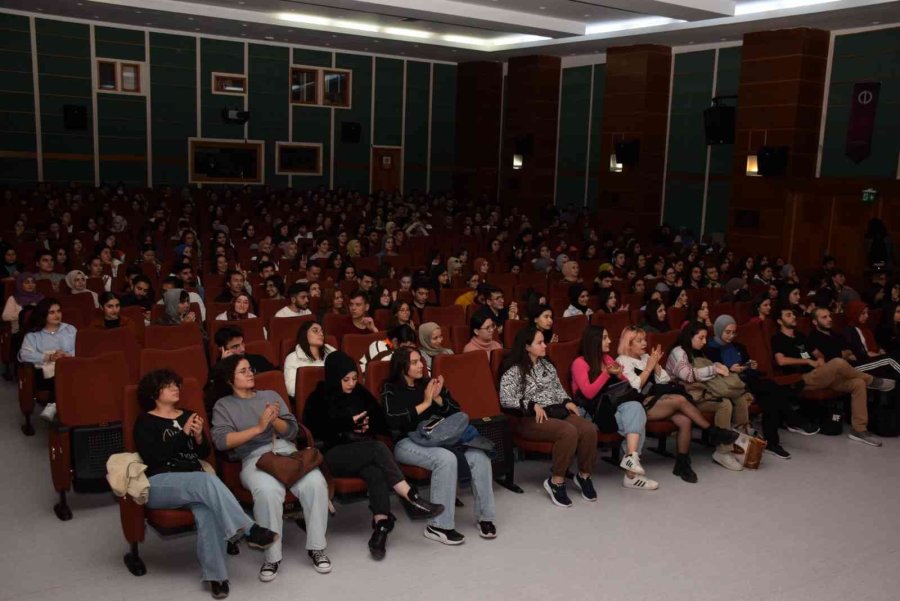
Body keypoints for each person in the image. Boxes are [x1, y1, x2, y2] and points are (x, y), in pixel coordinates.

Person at [134, 369, 278, 598]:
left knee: (207, 510)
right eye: (168, 385)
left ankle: (216, 577)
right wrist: (183, 434)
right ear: (153, 393)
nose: (175, 388)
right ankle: (248, 528)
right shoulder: (145, 421)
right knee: (205, 480)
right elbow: (154, 458)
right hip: (161, 482)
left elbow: (202, 453)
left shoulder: (188, 415)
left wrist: (199, 437)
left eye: (176, 384)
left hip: (195, 481)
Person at [303, 351, 443, 559]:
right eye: (346, 380)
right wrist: (347, 424)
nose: (352, 384)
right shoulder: (319, 397)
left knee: (375, 472)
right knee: (378, 449)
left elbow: (382, 422)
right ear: (334, 377)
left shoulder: (360, 392)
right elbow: (314, 431)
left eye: (354, 378)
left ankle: (381, 528)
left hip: (362, 450)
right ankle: (410, 497)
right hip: (332, 455)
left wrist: (366, 425)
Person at [210, 356, 332, 582]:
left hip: (286, 451)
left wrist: (275, 421)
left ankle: (317, 548)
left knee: (315, 482)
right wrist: (259, 427)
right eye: (243, 371)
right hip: (254, 458)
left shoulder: (270, 395)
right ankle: (272, 557)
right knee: (268, 491)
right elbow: (221, 441)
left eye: (250, 369)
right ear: (229, 379)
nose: (250, 373)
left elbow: (293, 430)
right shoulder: (223, 405)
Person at [382, 348, 498, 543]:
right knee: (446, 459)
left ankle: (485, 517)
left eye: (420, 361)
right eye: (415, 362)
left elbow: (456, 412)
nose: (421, 365)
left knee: (479, 455)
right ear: (402, 367)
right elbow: (392, 420)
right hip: (407, 442)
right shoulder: (390, 388)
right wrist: (426, 403)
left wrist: (437, 399)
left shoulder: (429, 383)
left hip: (440, 438)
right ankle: (438, 526)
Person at [616, 326, 739, 483]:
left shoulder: (646, 357)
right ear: (628, 343)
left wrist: (656, 365)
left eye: (644, 340)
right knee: (680, 400)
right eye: (639, 341)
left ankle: (682, 463)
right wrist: (649, 368)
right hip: (638, 407)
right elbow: (634, 387)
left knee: (685, 420)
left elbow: (665, 380)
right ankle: (711, 431)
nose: (644, 343)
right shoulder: (622, 361)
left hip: (657, 401)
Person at [500, 326, 597, 506]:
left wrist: (567, 401)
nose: (545, 345)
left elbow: (558, 390)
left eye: (544, 342)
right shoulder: (514, 370)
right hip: (529, 418)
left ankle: (584, 476)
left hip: (555, 412)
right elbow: (505, 400)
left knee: (588, 429)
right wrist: (531, 405)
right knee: (568, 431)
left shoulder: (547, 365)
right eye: (540, 343)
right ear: (527, 347)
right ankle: (556, 481)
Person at [772, 307, 893, 447]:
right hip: (801, 379)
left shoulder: (800, 336)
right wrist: (808, 361)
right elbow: (781, 361)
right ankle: (872, 380)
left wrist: (820, 360)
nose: (793, 317)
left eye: (793, 314)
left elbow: (817, 353)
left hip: (819, 375)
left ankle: (859, 430)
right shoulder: (778, 338)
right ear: (779, 321)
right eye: (788, 315)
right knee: (838, 362)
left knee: (858, 383)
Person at [707, 315, 818, 460]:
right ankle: (792, 420)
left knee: (770, 397)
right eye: (727, 332)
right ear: (718, 330)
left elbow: (747, 367)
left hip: (747, 381)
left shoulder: (739, 346)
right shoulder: (709, 349)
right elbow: (709, 371)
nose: (731, 336)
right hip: (727, 384)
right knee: (772, 388)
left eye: (733, 332)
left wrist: (750, 367)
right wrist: (729, 369)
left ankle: (773, 442)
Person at [571, 326, 657, 490]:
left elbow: (626, 387)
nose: (609, 341)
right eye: (605, 338)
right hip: (590, 412)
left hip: (609, 408)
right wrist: (606, 374)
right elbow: (588, 393)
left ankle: (630, 459)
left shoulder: (607, 359)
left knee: (636, 408)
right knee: (636, 421)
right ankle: (632, 476)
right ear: (594, 341)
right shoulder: (579, 363)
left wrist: (618, 375)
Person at [665, 322, 750, 471]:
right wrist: (714, 369)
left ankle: (734, 444)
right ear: (689, 336)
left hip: (699, 393)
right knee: (724, 403)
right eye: (701, 338)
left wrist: (717, 366)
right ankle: (724, 449)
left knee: (732, 399)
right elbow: (688, 375)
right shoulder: (678, 352)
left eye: (705, 337)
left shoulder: (698, 351)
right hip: (683, 399)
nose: (704, 341)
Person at [18, 298, 77, 422]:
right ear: (43, 314)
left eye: (59, 311)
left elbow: (80, 349)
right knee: (59, 373)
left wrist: (67, 355)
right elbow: (24, 355)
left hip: (69, 367)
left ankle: (53, 404)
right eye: (52, 312)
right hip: (44, 375)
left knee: (68, 372)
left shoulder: (70, 329)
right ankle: (57, 407)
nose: (57, 315)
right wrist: (48, 357)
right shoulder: (33, 335)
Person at [283, 321, 336, 398]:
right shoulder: (293, 358)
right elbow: (291, 389)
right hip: (309, 399)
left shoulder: (331, 352)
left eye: (322, 331)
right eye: (315, 331)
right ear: (304, 334)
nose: (321, 334)